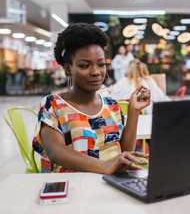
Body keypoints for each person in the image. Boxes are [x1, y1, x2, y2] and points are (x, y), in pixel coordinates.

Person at [32, 23, 151, 174]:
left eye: (101, 64)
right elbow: (56, 152)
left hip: (109, 188)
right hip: (71, 188)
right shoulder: (53, 105)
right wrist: (104, 166)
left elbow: (124, 154)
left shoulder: (112, 106)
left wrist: (134, 112)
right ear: (69, 69)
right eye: (84, 66)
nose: (96, 72)